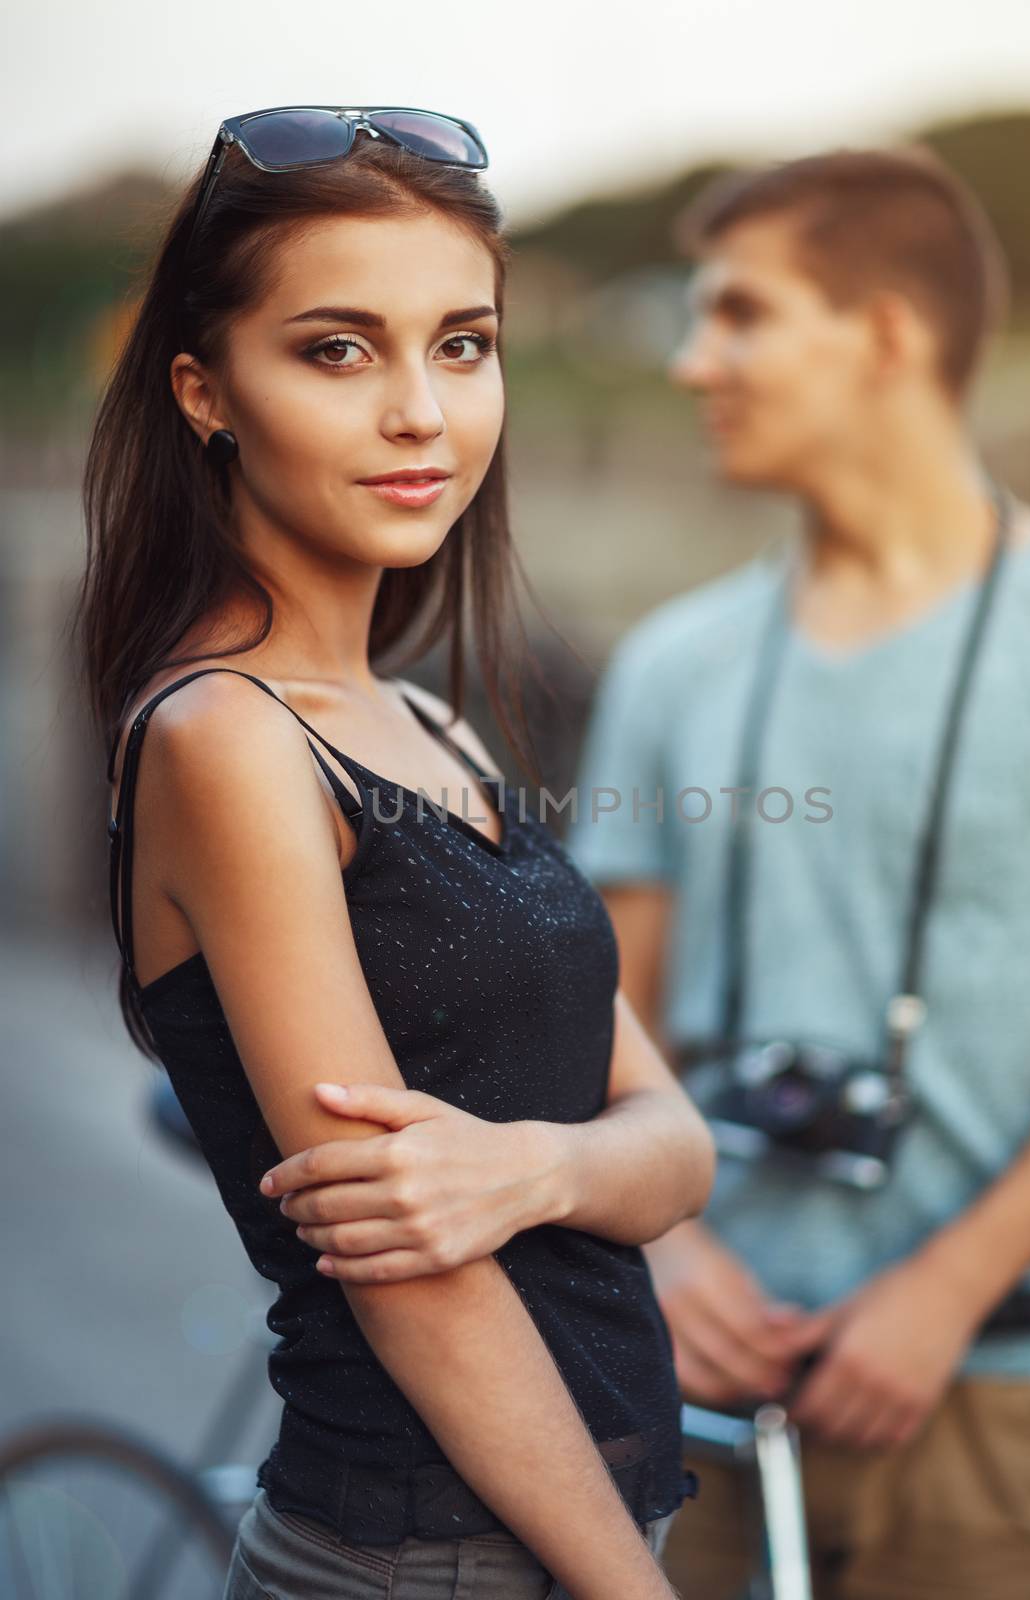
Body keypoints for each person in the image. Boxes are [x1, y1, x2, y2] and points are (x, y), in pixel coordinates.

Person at [76, 105, 714, 1600]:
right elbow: (417, 1285)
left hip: (589, 1522)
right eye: (337, 349)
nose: (422, 411)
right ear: (204, 389)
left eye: (463, 344)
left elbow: (673, 1151)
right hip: (424, 1558)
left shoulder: (432, 722)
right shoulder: (227, 739)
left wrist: (533, 1169)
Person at [566, 146, 1030, 1599]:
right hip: (699, 1381)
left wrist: (943, 1290)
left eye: (737, 315)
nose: (687, 362)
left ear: (887, 336)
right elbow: (607, 1003)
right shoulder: (673, 663)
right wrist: (662, 1251)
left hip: (1010, 1389)